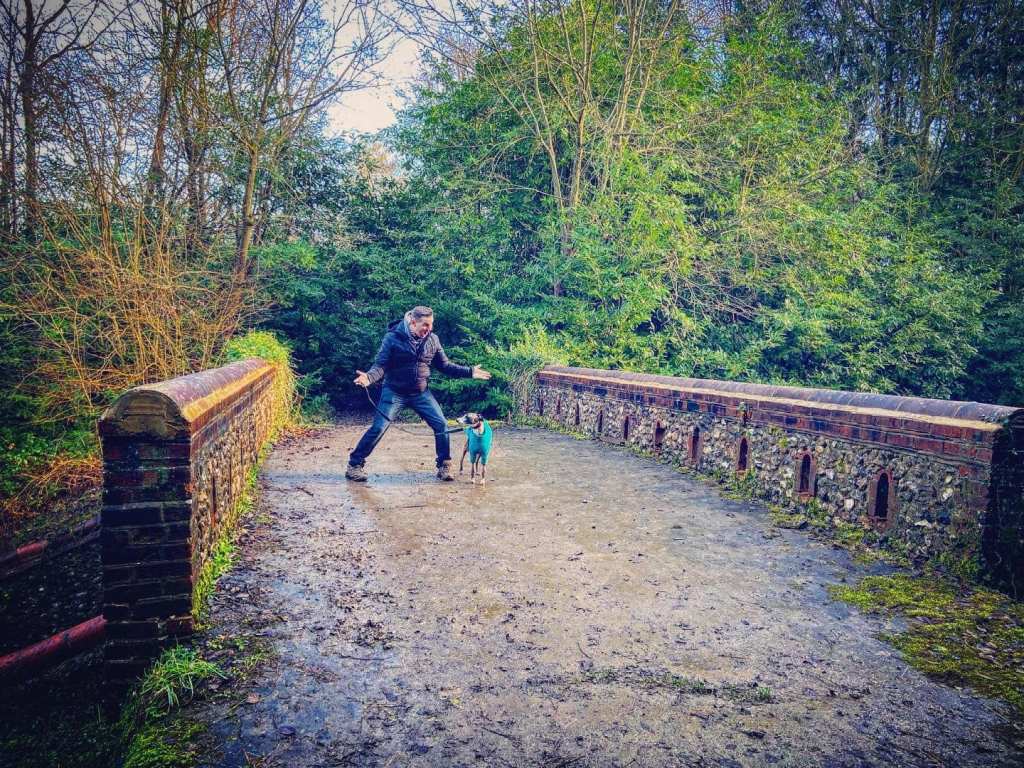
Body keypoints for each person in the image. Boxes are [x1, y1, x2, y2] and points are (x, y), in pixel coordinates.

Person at [346, 306, 491, 482]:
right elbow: (381, 365)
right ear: (413, 323)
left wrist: (469, 372)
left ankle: (444, 465)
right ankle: (354, 465)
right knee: (378, 427)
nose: (429, 329)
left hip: (421, 393)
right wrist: (369, 378)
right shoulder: (392, 338)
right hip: (394, 392)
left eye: (431, 324)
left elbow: (445, 365)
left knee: (442, 425)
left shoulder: (433, 339)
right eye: (425, 325)